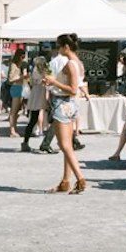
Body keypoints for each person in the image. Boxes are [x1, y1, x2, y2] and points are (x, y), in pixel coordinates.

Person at [42, 33, 89, 194]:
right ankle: (66, 181)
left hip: (62, 103)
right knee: (68, 145)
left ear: (66, 47)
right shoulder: (78, 63)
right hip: (70, 104)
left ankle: (80, 179)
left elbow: (73, 89)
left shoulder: (70, 64)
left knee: (64, 145)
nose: (57, 49)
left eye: (58, 46)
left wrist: (53, 81)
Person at [6, 47, 27, 138]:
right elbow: (10, 79)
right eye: (22, 57)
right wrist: (21, 77)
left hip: (21, 87)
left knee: (19, 110)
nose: (23, 59)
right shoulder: (13, 65)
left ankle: (14, 127)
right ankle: (12, 130)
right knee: (14, 110)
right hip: (15, 87)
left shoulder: (21, 65)